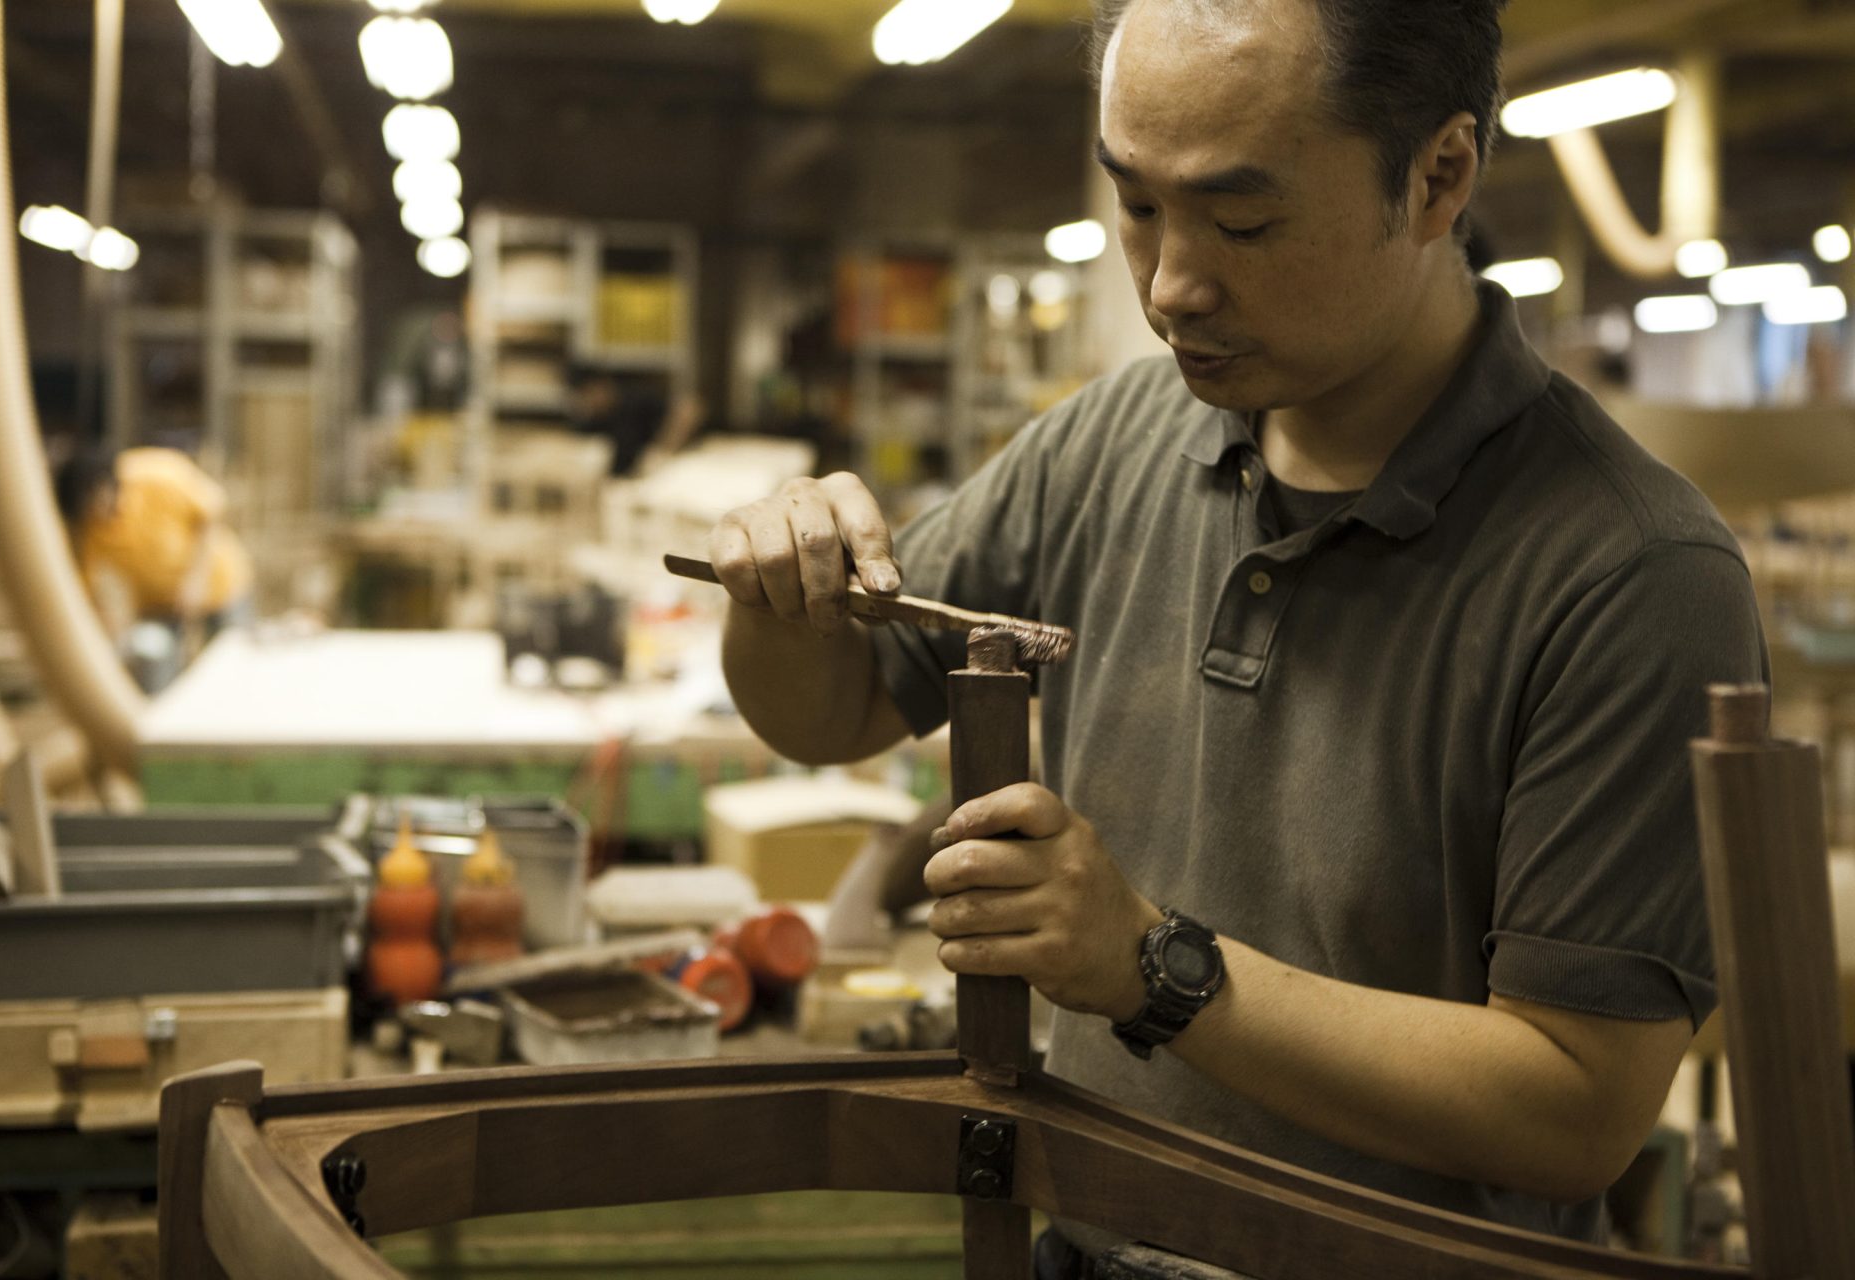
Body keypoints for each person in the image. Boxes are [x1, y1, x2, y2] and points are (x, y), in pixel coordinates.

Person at [706, 0, 1766, 1269]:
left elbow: (1576, 1105)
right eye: (1138, 206)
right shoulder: (1117, 440)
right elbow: (830, 710)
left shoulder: (1632, 571)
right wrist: (778, 591)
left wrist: (1151, 965)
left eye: (1243, 220)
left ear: (1439, 178)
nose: (1169, 286)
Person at [59, 445, 252, 692]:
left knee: (231, 669)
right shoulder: (86, 526)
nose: (94, 518)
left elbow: (211, 510)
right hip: (158, 605)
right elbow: (88, 587)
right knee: (157, 680)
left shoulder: (156, 475)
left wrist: (195, 580)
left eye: (92, 506)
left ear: (101, 487)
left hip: (219, 586)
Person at [565, 361, 704, 477]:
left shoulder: (634, 398)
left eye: (589, 394)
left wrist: (664, 451)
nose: (588, 402)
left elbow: (690, 407)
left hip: (673, 464)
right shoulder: (592, 419)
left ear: (602, 386)